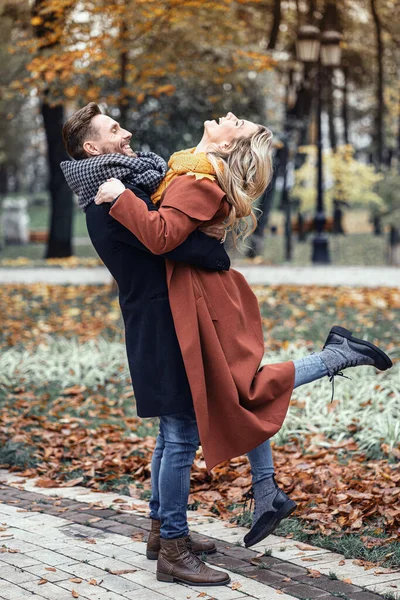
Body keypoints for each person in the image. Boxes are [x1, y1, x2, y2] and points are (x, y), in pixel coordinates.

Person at [95, 111, 393, 585]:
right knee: (225, 401)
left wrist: (119, 198)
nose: (230, 115)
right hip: (198, 297)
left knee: (237, 393)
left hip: (202, 302)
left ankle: (335, 358)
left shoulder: (199, 178)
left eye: (240, 123)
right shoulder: (185, 167)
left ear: (229, 146)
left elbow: (162, 236)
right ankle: (239, 499)